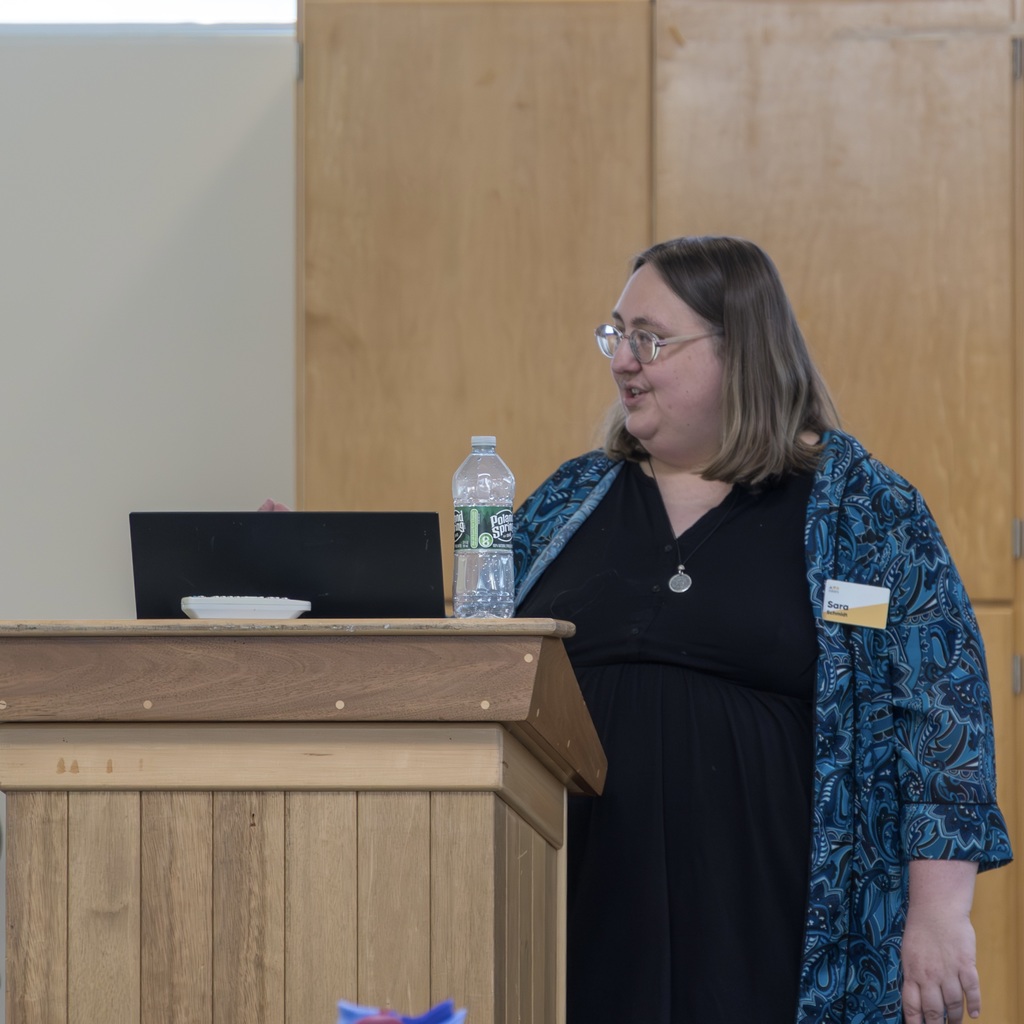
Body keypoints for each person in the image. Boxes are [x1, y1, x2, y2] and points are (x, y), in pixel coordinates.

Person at [512, 236, 1012, 1024]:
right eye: (617, 334)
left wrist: (940, 916)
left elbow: (942, 717)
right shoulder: (564, 500)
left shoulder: (865, 512)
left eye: (651, 338)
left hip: (782, 930)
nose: (623, 360)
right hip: (580, 914)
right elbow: (476, 662)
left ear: (740, 351)